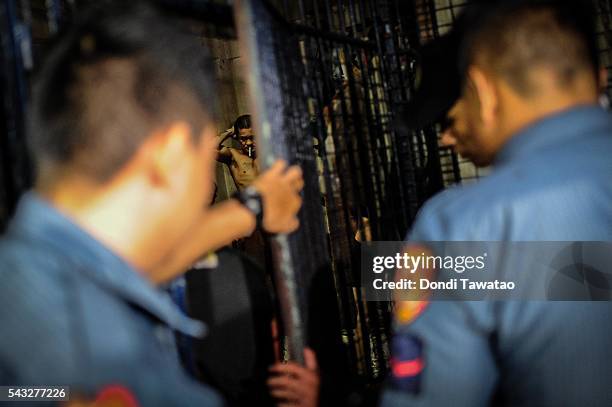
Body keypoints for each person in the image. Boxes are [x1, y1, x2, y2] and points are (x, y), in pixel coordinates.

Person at [0, 1, 304, 405]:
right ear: (170, 154)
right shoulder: (108, 367)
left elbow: (131, 266)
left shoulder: (30, 265)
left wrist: (250, 208)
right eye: (204, 151)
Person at [383, 1, 612, 406]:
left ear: (483, 92)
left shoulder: (463, 226)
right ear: (599, 79)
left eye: (451, 119)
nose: (446, 138)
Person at [218, 114, 260, 191]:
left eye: (253, 137)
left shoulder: (270, 155)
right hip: (249, 202)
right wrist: (230, 131)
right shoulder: (233, 155)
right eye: (243, 139)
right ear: (237, 137)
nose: (249, 143)